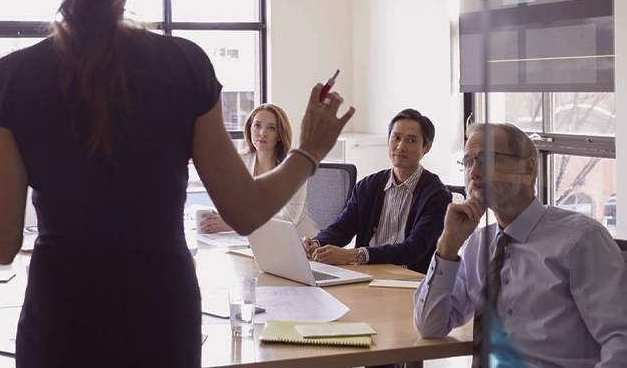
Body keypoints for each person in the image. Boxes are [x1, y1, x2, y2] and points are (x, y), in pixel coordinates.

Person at [0, 0, 353, 366]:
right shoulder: (185, 65)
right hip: (162, 320)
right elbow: (246, 210)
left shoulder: (10, 79)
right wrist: (309, 150)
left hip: (59, 321)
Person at [414, 123, 627, 367]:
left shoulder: (580, 239)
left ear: (527, 169)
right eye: (469, 162)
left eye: (488, 159)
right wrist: (448, 244)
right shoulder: (477, 243)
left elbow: (620, 340)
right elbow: (430, 326)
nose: (474, 173)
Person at [301, 108, 450, 273]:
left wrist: (354, 255)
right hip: (367, 274)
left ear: (427, 147)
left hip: (411, 279)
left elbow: (413, 249)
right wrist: (317, 243)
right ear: (388, 140)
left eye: (411, 140)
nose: (401, 146)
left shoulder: (437, 195)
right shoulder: (368, 185)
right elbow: (342, 227)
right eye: (396, 138)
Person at [198, 103, 321, 237]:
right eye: (257, 126)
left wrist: (235, 224)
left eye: (271, 128)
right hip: (254, 241)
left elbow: (288, 220)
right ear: (249, 128)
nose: (262, 133)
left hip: (300, 241)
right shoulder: (241, 162)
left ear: (280, 135)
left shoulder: (294, 168)